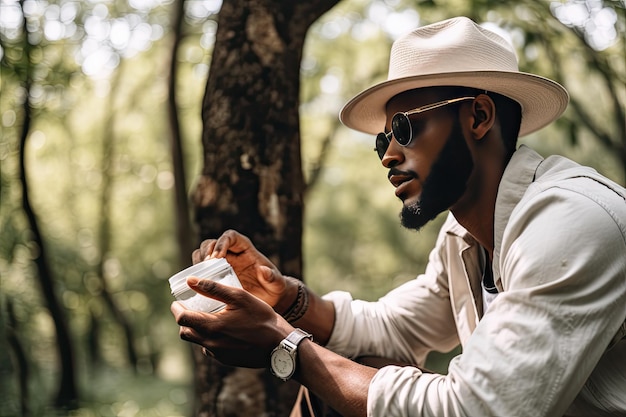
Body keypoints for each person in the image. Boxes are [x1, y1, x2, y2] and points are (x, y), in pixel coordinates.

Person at [171, 16, 626, 417]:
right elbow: (394, 328)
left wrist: (283, 344)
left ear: (479, 116)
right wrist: (284, 299)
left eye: (404, 128)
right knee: (343, 383)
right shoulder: (463, 237)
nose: (388, 154)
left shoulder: (570, 223)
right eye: (381, 140)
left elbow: (475, 408)